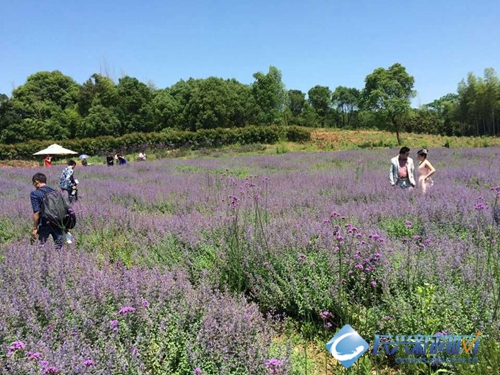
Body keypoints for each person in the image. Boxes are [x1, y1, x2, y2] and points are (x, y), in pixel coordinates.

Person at [30, 173, 64, 248]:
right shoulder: (56, 192)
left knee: (41, 245)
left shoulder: (35, 193)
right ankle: (61, 259)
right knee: (59, 246)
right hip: (57, 222)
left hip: (44, 222)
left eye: (33, 183)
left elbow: (36, 212)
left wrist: (35, 228)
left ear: (36, 181)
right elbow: (62, 208)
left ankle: (42, 259)